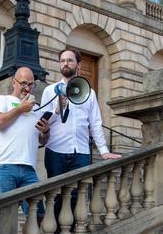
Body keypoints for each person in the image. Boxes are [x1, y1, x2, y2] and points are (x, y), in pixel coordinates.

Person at [40, 48, 120, 179]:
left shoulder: (89, 93)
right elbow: (43, 124)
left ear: (78, 64)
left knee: (79, 196)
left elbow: (95, 123)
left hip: (81, 153)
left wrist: (103, 150)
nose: (65, 63)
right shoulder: (50, 91)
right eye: (62, 61)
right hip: (55, 152)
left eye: (70, 60)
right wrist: (57, 110)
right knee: (55, 197)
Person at [0, 66, 50, 198]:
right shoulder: (2, 100)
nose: (27, 88)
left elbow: (42, 141)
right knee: (3, 214)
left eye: (31, 84)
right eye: (23, 83)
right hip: (2, 166)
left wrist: (46, 131)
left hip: (28, 168)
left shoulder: (37, 109)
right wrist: (20, 109)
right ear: (13, 82)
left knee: (38, 214)